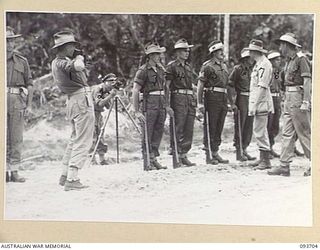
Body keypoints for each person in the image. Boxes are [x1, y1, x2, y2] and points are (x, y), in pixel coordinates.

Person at [51, 31, 94, 191]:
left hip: (74, 100)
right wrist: (80, 57)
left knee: (75, 139)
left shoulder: (58, 62)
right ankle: (72, 178)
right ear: (63, 47)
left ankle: (65, 174)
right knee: (83, 140)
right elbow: (79, 66)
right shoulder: (62, 62)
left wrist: (76, 57)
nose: (74, 48)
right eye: (71, 45)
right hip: (80, 100)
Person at [268, 33, 311, 177]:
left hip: (298, 98)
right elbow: (278, 78)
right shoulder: (287, 62)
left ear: (287, 45)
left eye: (281, 45)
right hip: (288, 98)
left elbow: (306, 81)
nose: (280, 47)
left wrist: (306, 101)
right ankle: (284, 166)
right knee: (286, 133)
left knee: (304, 132)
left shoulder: (301, 59)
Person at [132, 42, 168, 171]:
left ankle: (154, 159)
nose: (159, 56)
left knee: (158, 131)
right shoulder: (143, 70)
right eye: (156, 54)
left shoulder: (160, 69)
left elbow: (165, 87)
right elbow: (135, 90)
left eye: (159, 54)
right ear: (150, 56)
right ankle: (147, 160)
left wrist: (167, 105)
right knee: (148, 132)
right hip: (149, 103)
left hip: (161, 102)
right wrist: (136, 111)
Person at [6, 26, 33, 183]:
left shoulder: (22, 61)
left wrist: (29, 106)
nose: (10, 44)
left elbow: (30, 83)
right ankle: (3, 171)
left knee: (16, 137)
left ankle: (14, 171)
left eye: (12, 41)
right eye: (7, 41)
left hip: (17, 101)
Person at [197, 40, 229, 165]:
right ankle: (208, 154)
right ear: (214, 52)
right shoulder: (207, 66)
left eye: (222, 50)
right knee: (211, 125)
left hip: (223, 98)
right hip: (212, 97)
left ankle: (215, 151)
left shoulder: (224, 66)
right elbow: (200, 85)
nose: (222, 53)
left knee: (219, 125)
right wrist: (200, 103)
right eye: (219, 51)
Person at [165, 38, 196, 167]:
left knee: (189, 128)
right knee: (178, 127)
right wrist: (167, 104)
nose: (187, 53)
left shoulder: (188, 67)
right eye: (184, 51)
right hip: (178, 98)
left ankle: (184, 155)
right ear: (177, 52)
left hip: (189, 98)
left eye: (188, 50)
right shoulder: (171, 66)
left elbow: (191, 85)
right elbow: (166, 86)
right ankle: (176, 155)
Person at [246, 39, 274, 170]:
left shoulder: (264, 64)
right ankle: (263, 157)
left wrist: (254, 105)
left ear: (254, 52)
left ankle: (265, 160)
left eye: (250, 51)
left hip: (261, 102)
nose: (249, 54)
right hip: (258, 100)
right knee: (259, 130)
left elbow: (262, 87)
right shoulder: (259, 64)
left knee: (260, 131)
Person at [227, 48, 256, 162]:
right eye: (250, 58)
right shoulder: (237, 69)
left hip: (252, 98)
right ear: (244, 59)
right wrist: (232, 103)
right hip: (242, 98)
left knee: (249, 125)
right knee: (241, 124)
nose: (252, 60)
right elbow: (229, 85)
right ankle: (239, 151)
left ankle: (245, 148)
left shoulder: (254, 69)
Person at [90, 73, 118, 165]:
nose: (113, 84)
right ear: (105, 82)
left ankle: (102, 159)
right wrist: (110, 96)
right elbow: (99, 104)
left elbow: (108, 106)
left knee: (100, 134)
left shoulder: (106, 91)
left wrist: (111, 96)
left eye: (115, 81)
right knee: (92, 135)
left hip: (98, 114)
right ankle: (92, 158)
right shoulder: (98, 89)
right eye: (111, 82)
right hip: (90, 113)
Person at [266, 50, 282, 158]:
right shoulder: (267, 71)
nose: (279, 61)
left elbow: (279, 85)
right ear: (271, 61)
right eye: (276, 60)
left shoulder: (277, 72)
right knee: (268, 124)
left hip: (277, 98)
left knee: (275, 125)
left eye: (279, 59)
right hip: (269, 98)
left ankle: (271, 147)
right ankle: (266, 149)